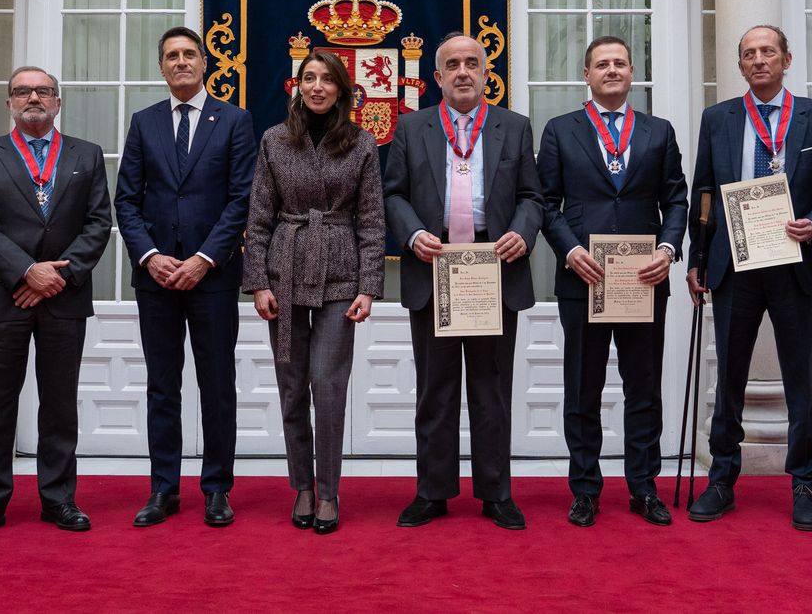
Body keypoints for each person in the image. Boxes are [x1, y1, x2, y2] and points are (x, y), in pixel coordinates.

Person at [686, 25, 812, 530]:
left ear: (786, 59)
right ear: (740, 66)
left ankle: (805, 481)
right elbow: (705, 194)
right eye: (749, 54)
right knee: (729, 375)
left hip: (793, 263)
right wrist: (697, 258)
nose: (759, 61)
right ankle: (722, 479)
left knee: (798, 377)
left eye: (768, 52)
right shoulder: (718, 119)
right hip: (733, 266)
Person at [384, 33, 544, 531]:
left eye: (472, 63)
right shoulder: (411, 127)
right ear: (437, 77)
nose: (462, 72)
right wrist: (411, 235)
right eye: (452, 64)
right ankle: (432, 492)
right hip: (434, 266)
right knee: (435, 388)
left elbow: (532, 197)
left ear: (485, 72)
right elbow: (392, 194)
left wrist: (521, 232)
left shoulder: (513, 127)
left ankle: (496, 493)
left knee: (491, 387)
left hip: (493, 265)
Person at [0, 66, 113, 540]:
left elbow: (98, 222)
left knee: (59, 405)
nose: (33, 98)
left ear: (58, 102)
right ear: (9, 104)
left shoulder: (86, 154)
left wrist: (54, 278)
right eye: (22, 91)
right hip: (5, 298)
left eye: (43, 91)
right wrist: (27, 272)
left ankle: (59, 499)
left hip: (64, 298)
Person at [537, 36, 687, 528]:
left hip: (643, 279)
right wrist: (571, 250)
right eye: (602, 64)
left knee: (644, 388)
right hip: (584, 278)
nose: (612, 70)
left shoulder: (658, 132)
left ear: (632, 72)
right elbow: (545, 204)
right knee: (583, 388)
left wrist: (668, 250)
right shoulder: (560, 131)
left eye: (620, 63)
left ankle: (644, 488)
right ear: (587, 74)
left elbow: (677, 201)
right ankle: (585, 489)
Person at [115, 26, 255, 528]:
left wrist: (204, 259)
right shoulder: (144, 122)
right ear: (161, 66)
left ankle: (217, 489)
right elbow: (126, 201)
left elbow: (243, 199)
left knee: (218, 385)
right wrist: (150, 256)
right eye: (170, 55)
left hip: (211, 277)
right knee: (162, 386)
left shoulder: (234, 120)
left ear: (204, 64)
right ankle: (164, 489)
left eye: (189, 54)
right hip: (156, 278)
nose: (180, 62)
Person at [243, 50, 385, 535]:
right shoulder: (275, 141)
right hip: (284, 271)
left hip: (339, 275)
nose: (318, 86)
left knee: (327, 385)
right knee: (291, 386)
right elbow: (258, 216)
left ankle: (328, 491)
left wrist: (368, 288)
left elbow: (371, 221)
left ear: (342, 90)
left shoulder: (362, 143)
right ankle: (301, 485)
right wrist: (258, 282)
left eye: (327, 79)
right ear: (296, 86)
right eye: (309, 78)